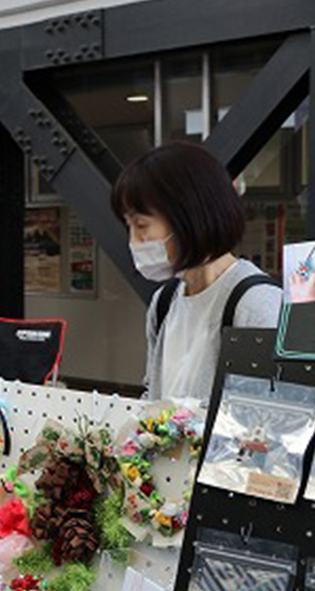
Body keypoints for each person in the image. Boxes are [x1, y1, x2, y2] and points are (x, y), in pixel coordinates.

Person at [111, 141, 282, 402]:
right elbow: (154, 394)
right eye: (129, 227)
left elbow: (269, 415)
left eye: (142, 225)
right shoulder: (165, 302)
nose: (134, 241)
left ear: (188, 216)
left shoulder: (255, 305)